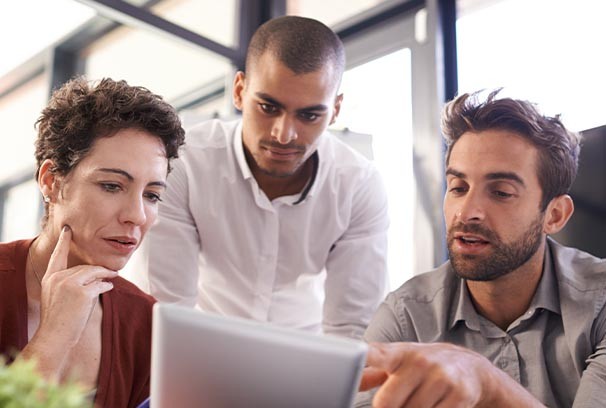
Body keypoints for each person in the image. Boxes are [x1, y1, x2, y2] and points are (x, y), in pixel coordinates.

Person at [356, 90, 606, 407]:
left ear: (554, 215)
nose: (467, 211)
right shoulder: (407, 317)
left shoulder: (600, 304)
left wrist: (485, 381)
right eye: (458, 188)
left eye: (501, 192)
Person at [144, 16, 389, 339]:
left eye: (309, 115)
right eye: (268, 107)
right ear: (239, 91)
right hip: (203, 343)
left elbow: (353, 326)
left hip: (307, 354)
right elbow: (168, 306)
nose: (284, 134)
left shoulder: (359, 185)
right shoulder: (184, 163)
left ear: (336, 111)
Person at [0, 77, 185, 407]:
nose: (137, 216)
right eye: (112, 186)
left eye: (152, 195)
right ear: (52, 181)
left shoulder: (146, 323)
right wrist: (55, 335)